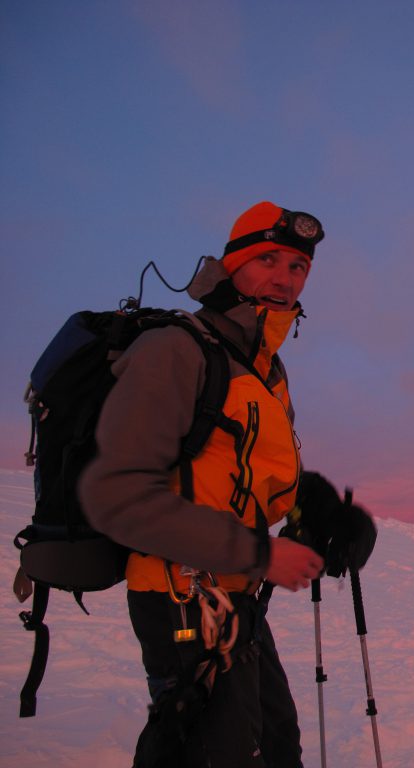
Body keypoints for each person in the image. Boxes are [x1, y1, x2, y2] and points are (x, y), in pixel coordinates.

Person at [79, 201, 376, 768]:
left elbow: (244, 470)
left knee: (277, 746)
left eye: (298, 267)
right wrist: (261, 552)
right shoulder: (177, 349)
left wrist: (319, 508)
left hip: (235, 596)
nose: (284, 278)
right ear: (231, 264)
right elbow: (116, 494)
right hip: (180, 597)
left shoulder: (264, 368)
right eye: (268, 258)